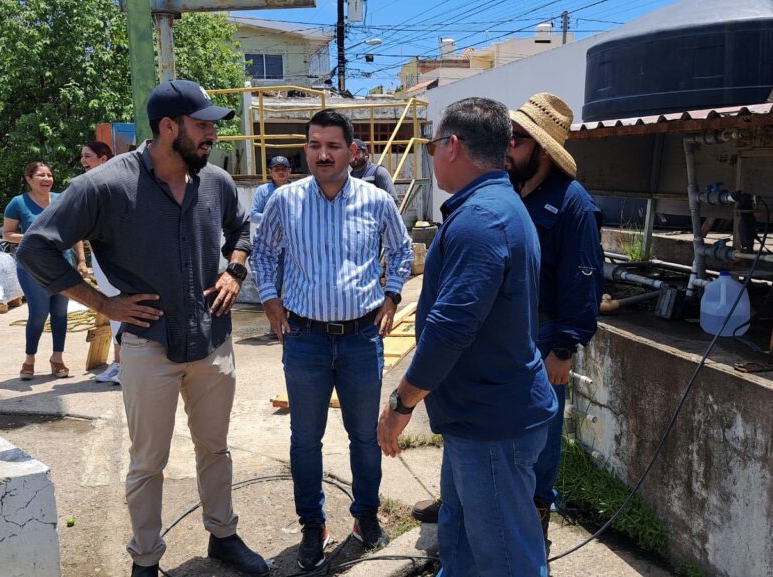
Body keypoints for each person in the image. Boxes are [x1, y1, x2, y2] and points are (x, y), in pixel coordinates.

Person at [16, 79, 269, 577]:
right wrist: (102, 303)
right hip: (149, 346)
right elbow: (35, 247)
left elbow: (244, 226)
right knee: (147, 461)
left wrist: (234, 270)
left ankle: (223, 535)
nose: (211, 135)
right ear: (169, 127)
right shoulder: (105, 185)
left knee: (214, 448)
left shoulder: (214, 182)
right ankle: (146, 561)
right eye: (201, 125)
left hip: (212, 341)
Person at [377, 97, 556, 577]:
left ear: (452, 145)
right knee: (461, 542)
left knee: (504, 558)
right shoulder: (496, 207)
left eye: (434, 145)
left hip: (492, 424)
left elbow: (449, 330)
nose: (432, 155)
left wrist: (401, 404)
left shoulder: (482, 219)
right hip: (478, 419)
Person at [252, 109, 413, 571]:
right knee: (305, 439)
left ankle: (365, 519)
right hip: (305, 340)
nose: (323, 154)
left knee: (364, 436)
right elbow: (263, 252)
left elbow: (401, 250)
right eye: (315, 145)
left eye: (333, 146)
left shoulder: (376, 200)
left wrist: (392, 294)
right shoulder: (286, 201)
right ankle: (312, 525)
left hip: (363, 338)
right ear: (306, 149)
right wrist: (269, 299)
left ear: (352, 150)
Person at [507, 92, 603, 550]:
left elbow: (583, 282)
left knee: (542, 437)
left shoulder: (572, 203)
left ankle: (536, 523)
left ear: (542, 149)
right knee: (495, 425)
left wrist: (564, 348)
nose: (507, 147)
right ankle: (470, 502)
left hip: (545, 335)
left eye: (517, 140)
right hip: (504, 330)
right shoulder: (507, 192)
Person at [3, 161, 87, 380]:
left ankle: (57, 359)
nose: (47, 178)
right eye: (41, 175)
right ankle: (29, 360)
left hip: (62, 266)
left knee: (60, 313)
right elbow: (7, 234)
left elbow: (75, 232)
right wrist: (37, 237)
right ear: (29, 179)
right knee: (39, 313)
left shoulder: (62, 200)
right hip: (31, 267)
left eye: (49, 174)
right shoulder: (18, 203)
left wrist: (81, 261)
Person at [79, 140, 124, 384]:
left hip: (118, 257)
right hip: (100, 256)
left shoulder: (114, 186)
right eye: (82, 157)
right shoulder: (88, 187)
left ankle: (126, 364)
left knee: (122, 308)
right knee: (112, 310)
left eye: (88, 156)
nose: (83, 161)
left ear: (104, 159)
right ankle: (119, 362)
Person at [250, 156, 293, 335]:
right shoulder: (263, 191)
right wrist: (277, 220)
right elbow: (253, 215)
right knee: (272, 288)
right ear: (270, 172)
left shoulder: (295, 190)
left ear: (290, 171)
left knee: (292, 286)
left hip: (293, 248)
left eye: (284, 168)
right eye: (276, 169)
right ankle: (274, 327)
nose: (281, 172)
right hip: (273, 249)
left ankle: (293, 326)